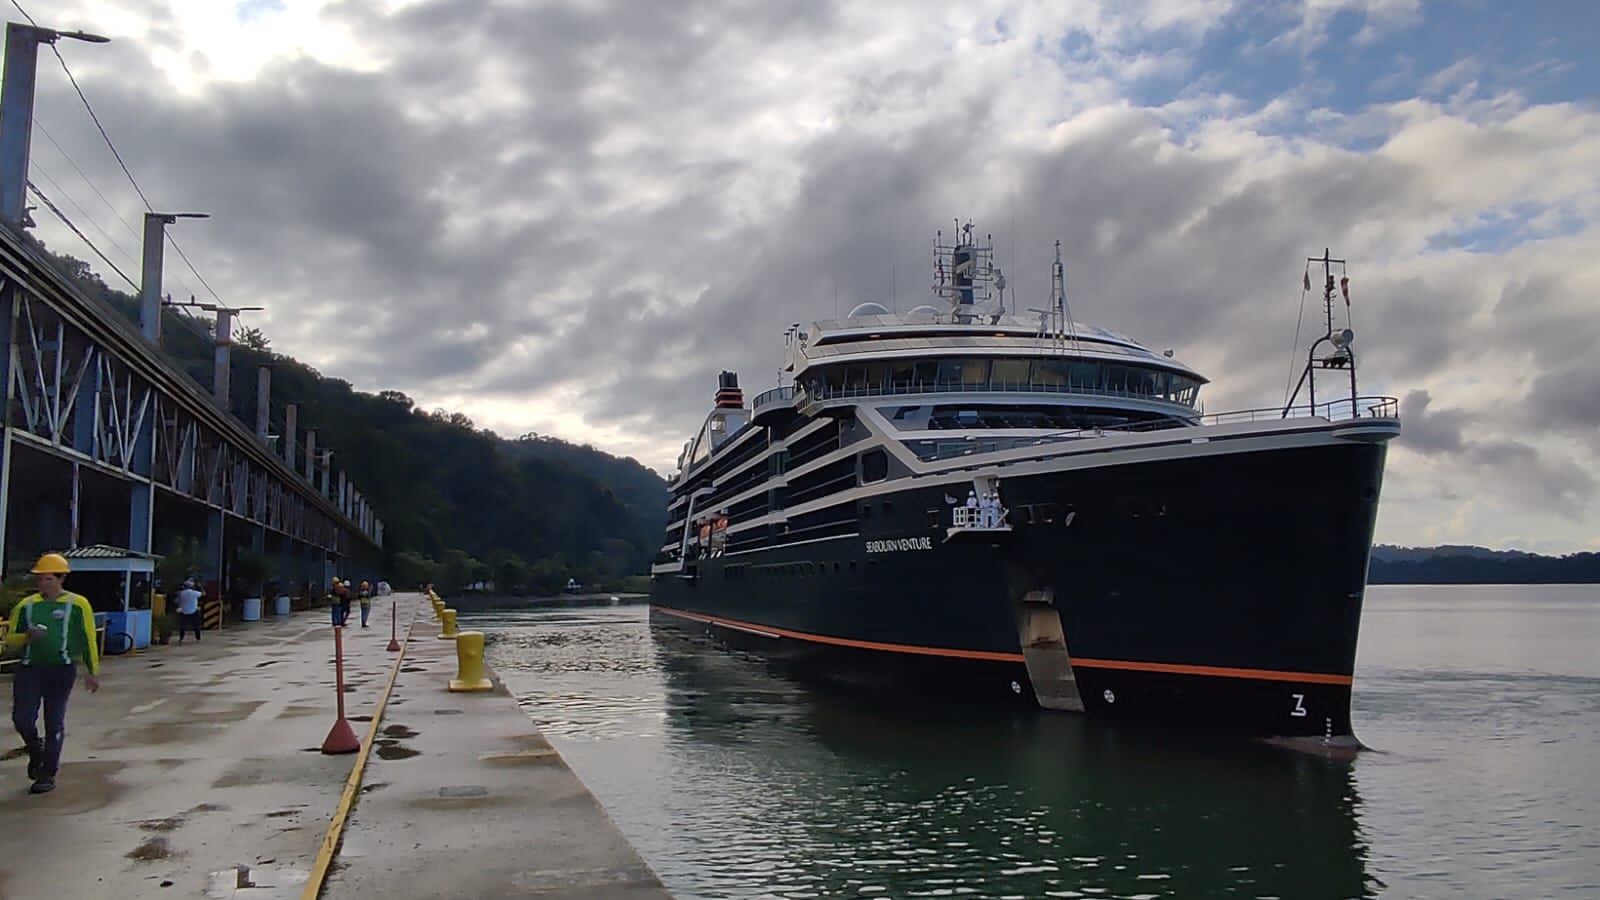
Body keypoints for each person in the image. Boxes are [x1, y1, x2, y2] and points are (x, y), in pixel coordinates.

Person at [5, 553, 101, 795]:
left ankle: (47, 772)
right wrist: (26, 637)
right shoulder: (26, 606)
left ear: (61, 579)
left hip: (61, 670)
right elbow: (10, 640)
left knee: (54, 721)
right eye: (40, 579)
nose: (43, 584)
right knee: (22, 719)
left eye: (48, 579)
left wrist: (92, 671)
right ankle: (34, 749)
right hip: (30, 670)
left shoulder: (78, 604)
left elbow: (88, 638)